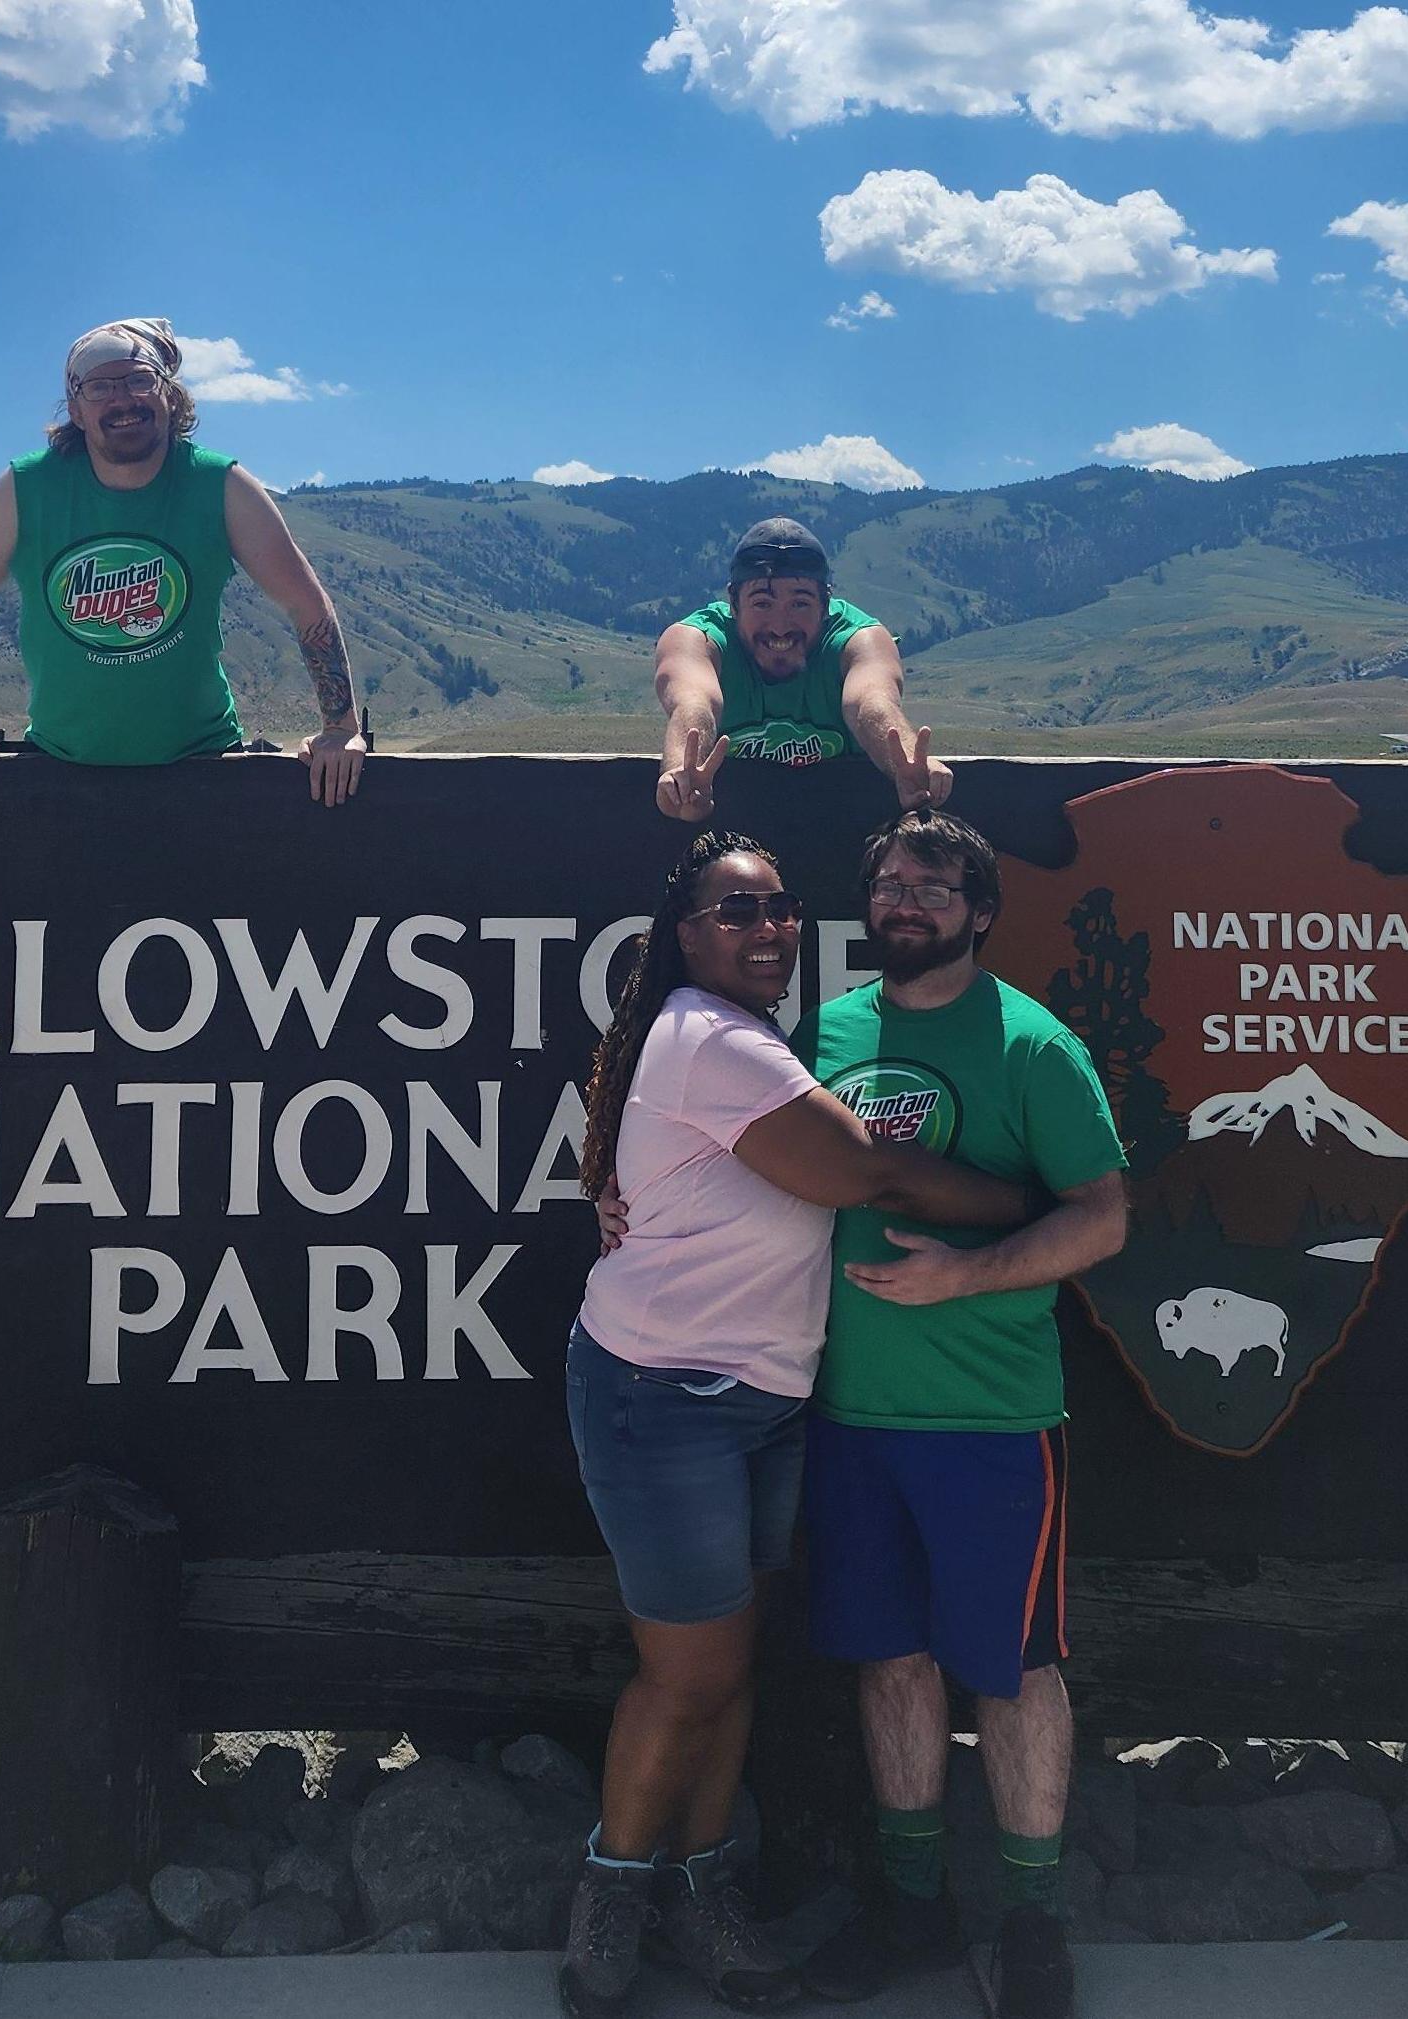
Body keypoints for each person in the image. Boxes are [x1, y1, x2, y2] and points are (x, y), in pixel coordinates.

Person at [559, 828, 1033, 2019]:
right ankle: (611, 1898)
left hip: (764, 1400)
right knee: (689, 1674)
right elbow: (866, 1173)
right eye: (735, 911)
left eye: (778, 907)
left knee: (728, 1667)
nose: (766, 928)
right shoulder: (711, 1038)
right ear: (684, 936)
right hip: (664, 1394)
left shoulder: (757, 1038)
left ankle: (702, 1894)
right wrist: (1031, 1206)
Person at [788, 809, 1128, 2019]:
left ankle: (1034, 1923)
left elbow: (1101, 1217)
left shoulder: (1033, 1046)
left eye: (934, 887)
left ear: (980, 911)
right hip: (848, 1416)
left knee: (1017, 1670)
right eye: (890, 881)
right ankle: (912, 1908)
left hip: (990, 1422)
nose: (906, 901)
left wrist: (965, 1277)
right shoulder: (822, 1034)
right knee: (890, 1661)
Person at [0, 318, 366, 807]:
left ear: (170, 395)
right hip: (58, 768)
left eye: (140, 380)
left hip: (205, 766)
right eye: (99, 387)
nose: (122, 400)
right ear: (76, 410)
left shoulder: (220, 485)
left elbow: (303, 601)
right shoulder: (28, 488)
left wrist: (340, 729)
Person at [653, 517, 951, 822]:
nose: (780, 627)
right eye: (762, 604)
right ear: (733, 602)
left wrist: (908, 763)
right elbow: (695, 703)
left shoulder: (859, 638)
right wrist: (682, 780)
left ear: (825, 604)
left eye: (800, 604)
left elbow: (870, 703)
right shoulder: (698, 639)